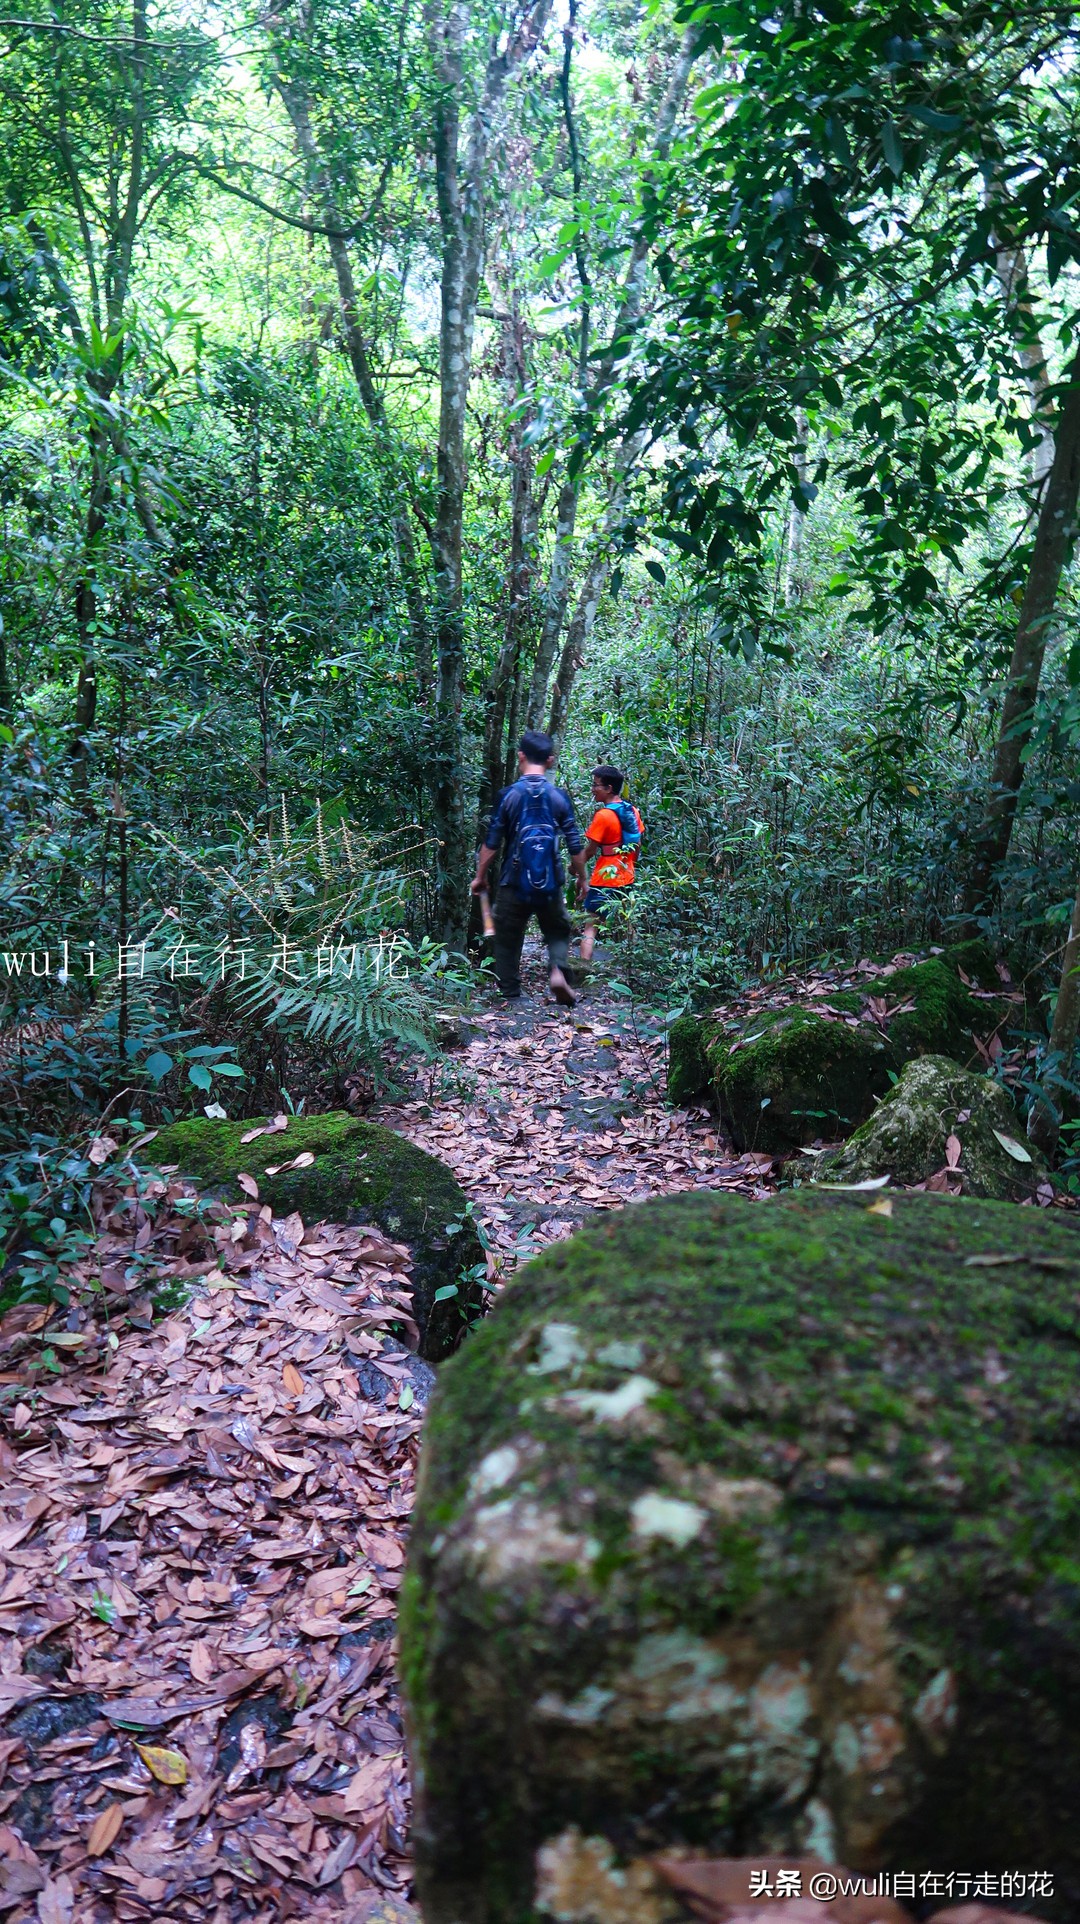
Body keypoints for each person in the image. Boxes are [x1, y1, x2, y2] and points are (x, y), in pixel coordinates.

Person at [472, 730, 588, 1006]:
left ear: (521, 756)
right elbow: (575, 844)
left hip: (513, 881)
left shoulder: (508, 795)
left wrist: (480, 877)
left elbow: (492, 842)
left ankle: (511, 995)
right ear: (550, 761)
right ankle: (558, 972)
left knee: (507, 937)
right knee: (558, 930)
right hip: (550, 882)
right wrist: (582, 878)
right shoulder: (559, 797)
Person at [580, 764, 643, 964]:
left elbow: (590, 850)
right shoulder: (631, 810)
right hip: (627, 876)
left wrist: (576, 867)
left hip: (605, 878)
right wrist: (630, 864)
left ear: (608, 788)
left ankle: (583, 969)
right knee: (628, 924)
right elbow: (638, 843)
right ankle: (634, 970)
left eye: (595, 785)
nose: (592, 789)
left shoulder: (603, 815)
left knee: (591, 926)